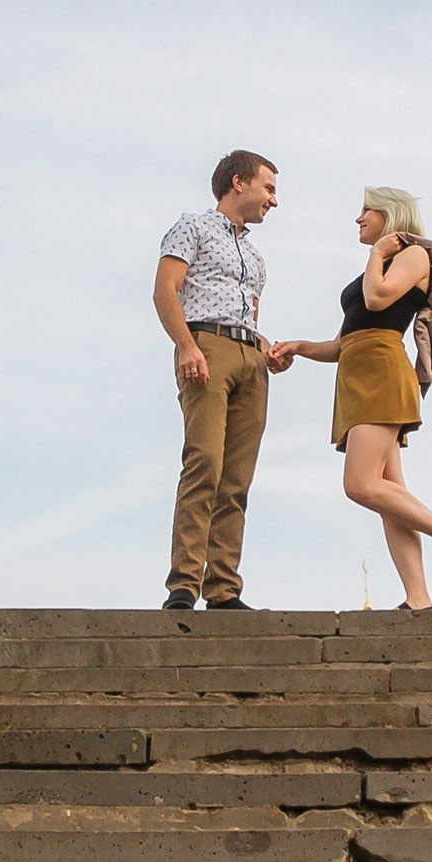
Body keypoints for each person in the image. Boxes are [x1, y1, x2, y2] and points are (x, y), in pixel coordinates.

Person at [268, 186, 432, 608]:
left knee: (360, 485)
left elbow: (377, 299)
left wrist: (376, 254)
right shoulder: (379, 265)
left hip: (383, 373)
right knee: (390, 493)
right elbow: (342, 345)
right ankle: (419, 597)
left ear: (390, 215)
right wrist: (298, 347)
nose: (358, 218)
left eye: (366, 210)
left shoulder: (415, 255)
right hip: (358, 375)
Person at [153, 150, 279, 611]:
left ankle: (224, 588)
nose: (273, 200)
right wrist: (187, 346)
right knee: (204, 462)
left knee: (237, 478)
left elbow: (250, 316)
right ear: (238, 182)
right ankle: (184, 584)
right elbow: (164, 291)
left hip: (250, 358)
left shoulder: (256, 257)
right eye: (268, 188)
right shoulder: (193, 226)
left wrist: (267, 349)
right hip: (206, 347)